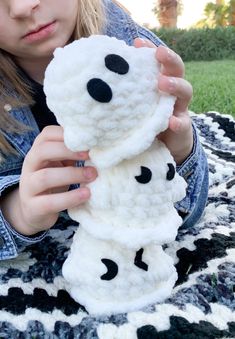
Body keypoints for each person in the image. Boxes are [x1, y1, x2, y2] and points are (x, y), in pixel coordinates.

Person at [0, 0, 208, 260]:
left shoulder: (137, 51)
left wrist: (179, 153)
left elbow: (188, 212)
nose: (22, 7)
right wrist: (16, 212)